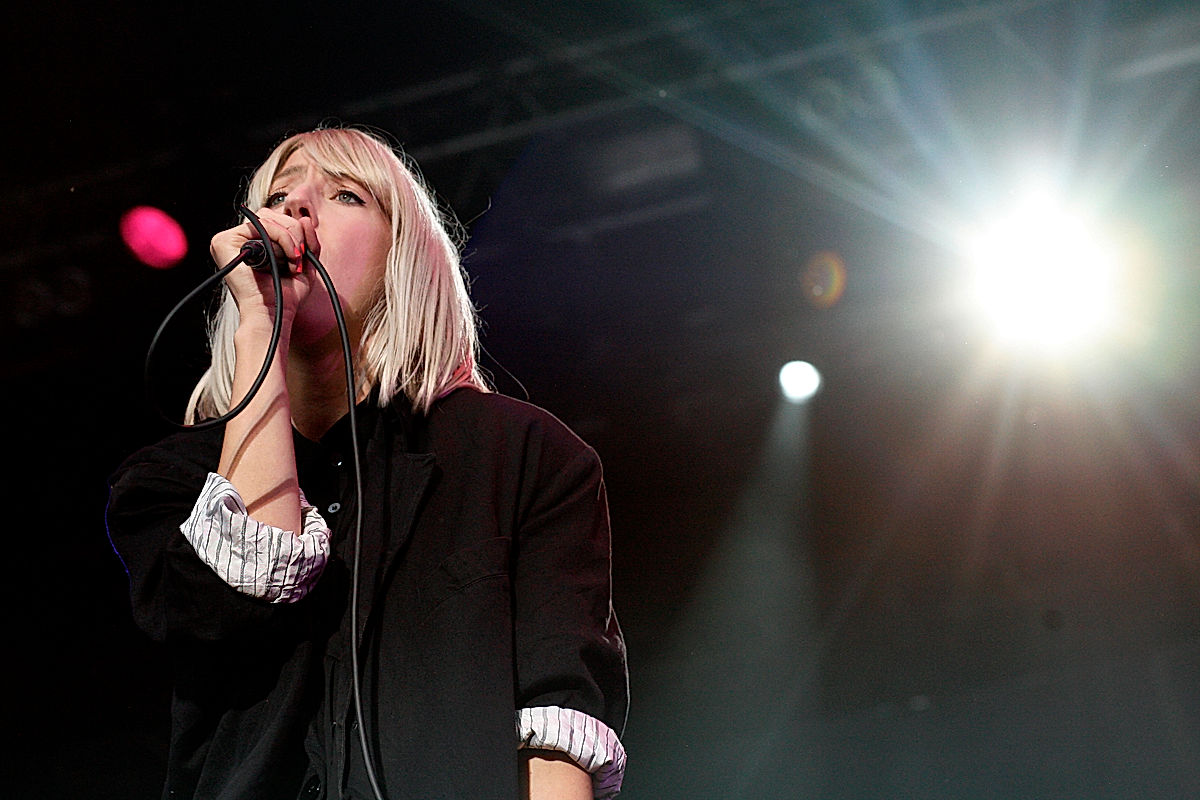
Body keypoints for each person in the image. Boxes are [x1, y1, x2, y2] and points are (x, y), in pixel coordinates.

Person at [106, 126, 629, 800]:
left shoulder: (523, 455)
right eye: (280, 195)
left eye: (346, 194)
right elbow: (251, 580)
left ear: (403, 256)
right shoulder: (172, 483)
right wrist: (265, 320)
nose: (296, 210)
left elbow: (557, 718)